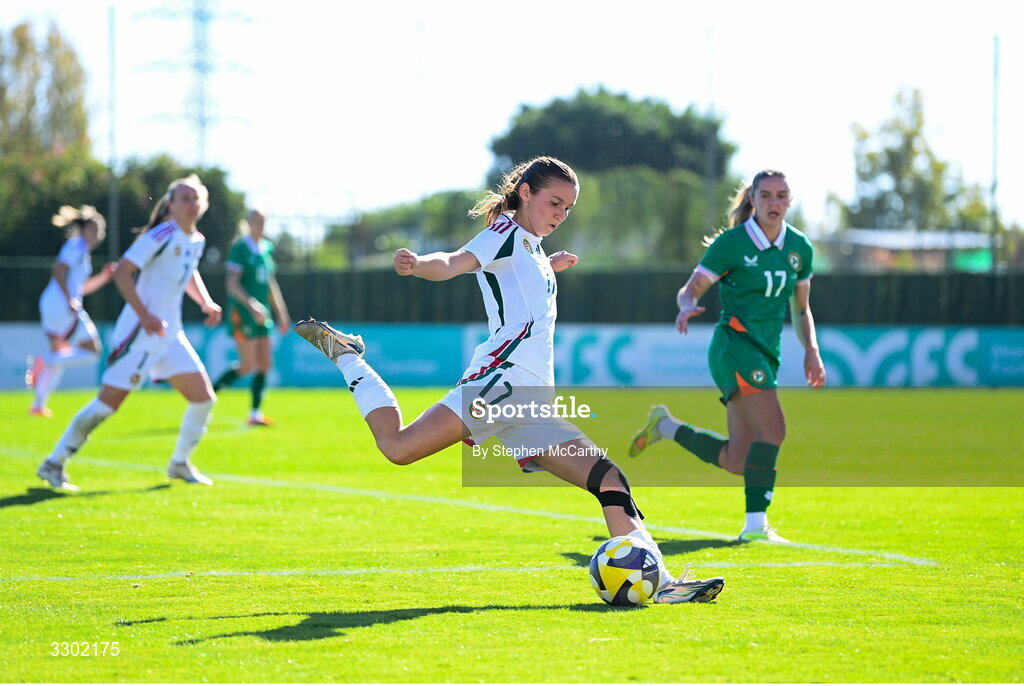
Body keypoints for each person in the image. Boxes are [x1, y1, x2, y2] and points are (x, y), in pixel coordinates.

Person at [294, 156, 724, 604]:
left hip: (531, 399)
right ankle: (347, 356)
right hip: (499, 386)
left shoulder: (532, 247)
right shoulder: (503, 233)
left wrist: (547, 265)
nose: (560, 215)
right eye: (554, 203)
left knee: (610, 482)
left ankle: (664, 582)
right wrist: (419, 262)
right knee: (398, 447)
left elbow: (520, 281)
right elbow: (454, 261)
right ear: (525, 193)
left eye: (568, 209)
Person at [628, 169, 826, 543]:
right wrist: (686, 306)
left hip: (766, 352)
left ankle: (666, 427)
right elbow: (692, 289)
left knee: (740, 461)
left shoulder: (801, 248)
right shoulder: (733, 243)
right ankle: (755, 528)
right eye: (765, 195)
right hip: (734, 347)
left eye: (781, 195)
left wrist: (812, 351)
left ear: (790, 201)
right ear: (752, 198)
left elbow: (801, 309)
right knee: (774, 429)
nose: (773, 202)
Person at [36, 174, 223, 491]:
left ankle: (179, 464)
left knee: (203, 398)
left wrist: (206, 301)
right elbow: (123, 271)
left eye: (196, 199)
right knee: (106, 405)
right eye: (185, 199)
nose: (192, 204)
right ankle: (54, 463)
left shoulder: (197, 240)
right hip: (140, 334)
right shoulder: (161, 234)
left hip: (170, 335)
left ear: (203, 204)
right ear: (171, 205)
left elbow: (189, 272)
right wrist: (145, 315)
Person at [27, 206, 116, 418]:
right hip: (61, 305)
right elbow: (58, 270)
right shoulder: (77, 246)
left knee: (61, 356)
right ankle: (45, 361)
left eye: (101, 230)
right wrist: (69, 300)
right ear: (83, 229)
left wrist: (104, 277)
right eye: (94, 228)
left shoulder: (80, 251)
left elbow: (80, 288)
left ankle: (38, 405)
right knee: (93, 351)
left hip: (51, 304)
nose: (98, 234)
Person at [211, 209, 291, 426]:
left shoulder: (266, 248)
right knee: (247, 365)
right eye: (256, 220)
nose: (260, 225)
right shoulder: (240, 249)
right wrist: (252, 305)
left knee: (265, 363)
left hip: (262, 313)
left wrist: (281, 312)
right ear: (247, 223)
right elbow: (232, 285)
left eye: (263, 221)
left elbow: (270, 284)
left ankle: (254, 413)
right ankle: (208, 397)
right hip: (243, 313)